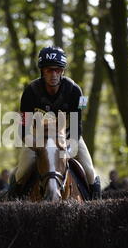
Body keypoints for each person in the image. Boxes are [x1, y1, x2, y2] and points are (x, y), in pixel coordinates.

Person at [9, 46, 101, 199]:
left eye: (58, 70)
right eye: (49, 70)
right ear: (42, 71)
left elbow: (77, 125)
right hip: (38, 139)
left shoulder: (75, 91)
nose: (53, 74)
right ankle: (11, 206)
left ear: (63, 71)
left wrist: (69, 146)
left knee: (90, 173)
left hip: (70, 138)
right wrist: (34, 145)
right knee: (20, 173)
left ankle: (98, 211)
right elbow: (23, 127)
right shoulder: (29, 92)